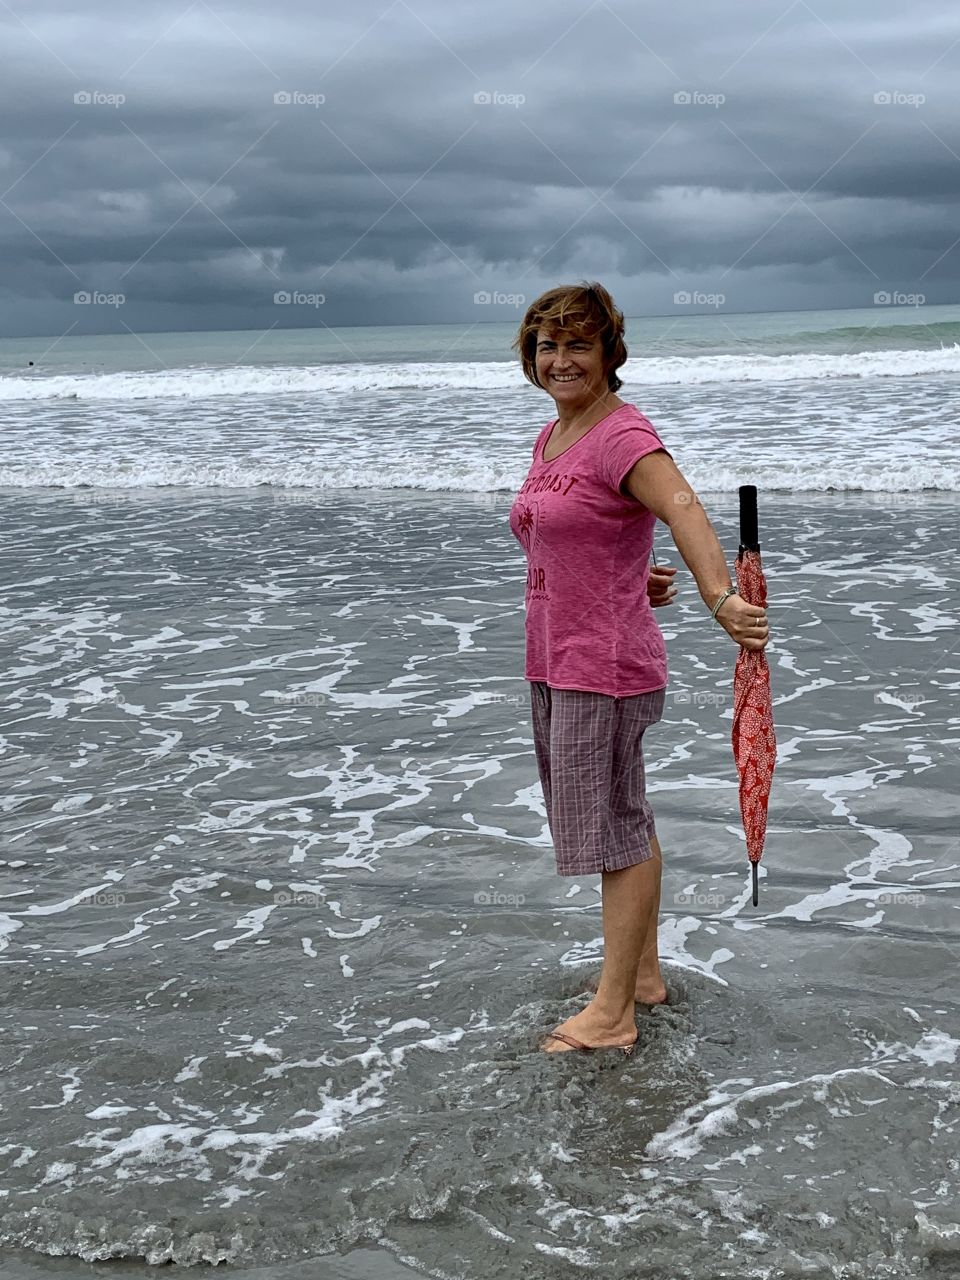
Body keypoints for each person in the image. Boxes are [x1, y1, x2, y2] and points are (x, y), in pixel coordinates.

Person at [507, 282, 770, 1055]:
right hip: (556, 655)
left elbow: (682, 506)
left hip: (604, 665)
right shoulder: (555, 435)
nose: (560, 360)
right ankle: (644, 978)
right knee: (623, 818)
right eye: (547, 346)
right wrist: (631, 573)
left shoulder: (621, 433)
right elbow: (585, 531)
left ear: (608, 353)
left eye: (577, 345)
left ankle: (613, 1012)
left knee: (612, 832)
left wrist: (719, 597)